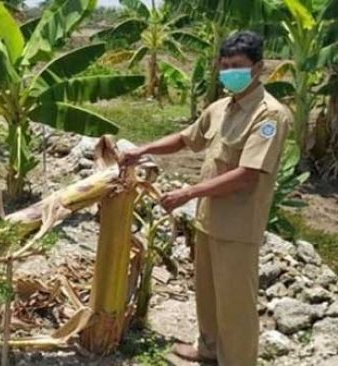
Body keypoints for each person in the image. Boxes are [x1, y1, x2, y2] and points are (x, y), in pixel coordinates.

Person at [118, 31, 291, 366]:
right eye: (224, 65)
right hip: (208, 218)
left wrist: (188, 193)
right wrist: (144, 149)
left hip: (238, 226)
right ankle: (209, 348)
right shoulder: (221, 107)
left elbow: (247, 175)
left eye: (236, 66)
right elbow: (186, 139)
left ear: (258, 68)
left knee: (236, 304)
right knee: (208, 295)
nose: (228, 72)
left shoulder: (269, 115)